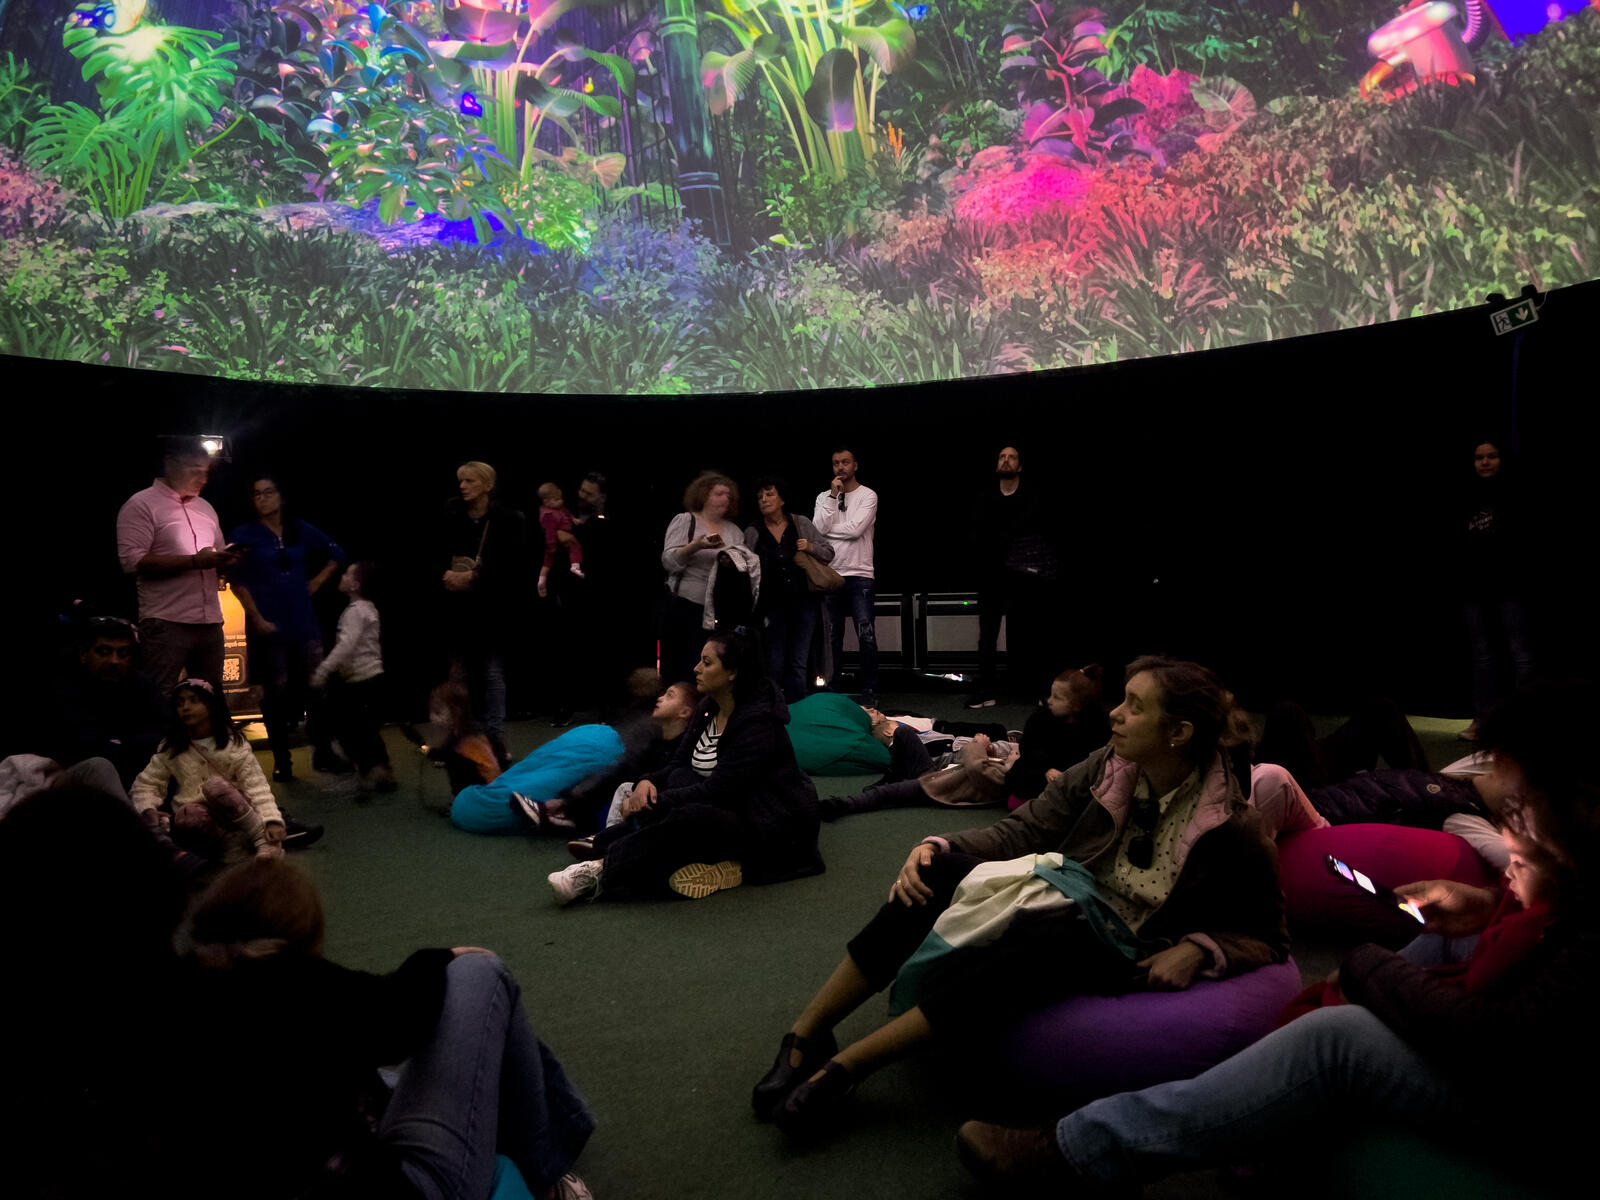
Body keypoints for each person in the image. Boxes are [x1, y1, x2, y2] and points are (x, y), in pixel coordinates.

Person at [954, 677, 1600, 1193]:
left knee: (1338, 1034)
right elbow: (1033, 824)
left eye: (1517, 812)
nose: (1116, 716)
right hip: (1521, 1038)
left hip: (1533, 1102)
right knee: (1432, 944)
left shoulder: (1243, 811)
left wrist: (1367, 969)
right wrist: (1486, 906)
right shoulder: (1111, 774)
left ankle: (1083, 1151)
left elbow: (1504, 1040)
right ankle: (1278, 1107)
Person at [751, 657, 1285, 1141]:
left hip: (1124, 941)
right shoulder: (1108, 766)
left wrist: (1198, 948)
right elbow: (1024, 830)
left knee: (1042, 934)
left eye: (1135, 706)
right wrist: (938, 845)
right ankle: (808, 1033)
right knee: (935, 871)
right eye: (1121, 700)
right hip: (1068, 892)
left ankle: (850, 1067)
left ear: (1178, 733)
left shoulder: (1232, 827)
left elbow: (1271, 933)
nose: (1115, 714)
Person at [178, 857, 597, 1200]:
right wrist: (439, 958)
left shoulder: (176, 992)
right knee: (479, 973)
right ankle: (546, 1177)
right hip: (390, 1186)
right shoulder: (286, 980)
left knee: (380, 1078)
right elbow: (398, 1019)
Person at [547, 631, 822, 904]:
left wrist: (655, 801)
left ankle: (599, 870)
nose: (696, 668)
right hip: (727, 809)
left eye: (707, 662)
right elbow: (678, 763)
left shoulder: (758, 726)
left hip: (768, 825)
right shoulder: (707, 709)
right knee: (675, 788)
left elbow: (721, 790)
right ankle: (623, 848)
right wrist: (646, 783)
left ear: (732, 673)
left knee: (688, 816)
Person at [227, 475, 348, 781]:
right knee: (276, 692)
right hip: (269, 623)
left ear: (281, 496)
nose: (262, 498)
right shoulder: (244, 534)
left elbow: (337, 553)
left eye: (268, 492)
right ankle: (283, 760)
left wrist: (317, 582)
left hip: (303, 621)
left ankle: (324, 752)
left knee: (317, 686)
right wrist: (256, 618)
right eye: (256, 494)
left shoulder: (299, 529)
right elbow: (236, 580)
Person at [116, 436, 239, 692]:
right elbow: (132, 562)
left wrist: (226, 561)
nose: (203, 479)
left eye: (206, 472)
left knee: (209, 697)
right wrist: (194, 561)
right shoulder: (141, 505)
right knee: (159, 696)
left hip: (210, 622)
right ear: (171, 465)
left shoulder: (205, 508)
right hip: (166, 622)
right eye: (195, 471)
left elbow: (215, 556)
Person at [129, 679, 286, 860]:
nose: (185, 707)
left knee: (215, 786)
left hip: (238, 812)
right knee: (187, 814)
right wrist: (147, 809)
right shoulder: (172, 747)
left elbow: (256, 785)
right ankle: (230, 844)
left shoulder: (233, 743)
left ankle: (262, 839)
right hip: (204, 820)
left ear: (211, 705)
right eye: (180, 703)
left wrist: (271, 820)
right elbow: (146, 784)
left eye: (194, 700)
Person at [440, 461, 527, 764]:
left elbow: (512, 565)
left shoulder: (508, 520)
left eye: (470, 481)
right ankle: (457, 740)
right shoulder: (452, 515)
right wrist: (447, 575)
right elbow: (436, 552)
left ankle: (496, 742)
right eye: (461, 480)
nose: (463, 486)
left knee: (491, 675)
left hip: (491, 610)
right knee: (457, 678)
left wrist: (473, 578)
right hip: (457, 610)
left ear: (488, 485)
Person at [969, 445, 1065, 707]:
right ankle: (986, 691)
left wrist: (1002, 538)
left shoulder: (1032, 495)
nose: (1006, 460)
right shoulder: (986, 496)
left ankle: (1040, 690)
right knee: (987, 633)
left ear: (1020, 466)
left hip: (1026, 574)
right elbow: (978, 532)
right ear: (996, 464)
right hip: (993, 573)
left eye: (1011, 457)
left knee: (1033, 631)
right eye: (1002, 457)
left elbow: (1030, 528)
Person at [1459, 438, 1536, 741]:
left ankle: (1523, 723)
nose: (1485, 462)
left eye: (1492, 456)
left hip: (1510, 585)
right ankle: (1482, 721)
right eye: (1479, 457)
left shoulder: (1514, 495)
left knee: (1521, 655)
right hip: (1474, 586)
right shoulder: (1466, 496)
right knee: (1483, 656)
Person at [39, 614, 166, 788]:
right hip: (71, 777)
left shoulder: (141, 687)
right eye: (104, 652)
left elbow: (162, 733)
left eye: (123, 654)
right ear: (84, 654)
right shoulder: (63, 687)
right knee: (100, 766)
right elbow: (77, 745)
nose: (114, 661)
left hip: (135, 773)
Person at [744, 475, 835, 704]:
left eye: (769, 494)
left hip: (804, 604)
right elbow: (745, 568)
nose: (764, 500)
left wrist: (810, 547)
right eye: (760, 497)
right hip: (771, 606)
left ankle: (796, 713)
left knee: (798, 663)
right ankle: (772, 711)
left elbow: (828, 552)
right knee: (773, 663)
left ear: (782, 499)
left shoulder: (799, 523)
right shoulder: (754, 531)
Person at [311, 561, 394, 792]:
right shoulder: (369, 608)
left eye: (348, 574)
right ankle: (382, 772)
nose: (342, 576)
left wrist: (323, 670)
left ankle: (368, 773)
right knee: (367, 731)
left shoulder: (355, 612)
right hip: (372, 678)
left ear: (356, 584)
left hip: (361, 681)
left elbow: (346, 645)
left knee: (350, 730)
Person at [660, 472, 742, 685]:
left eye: (728, 495)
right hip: (685, 605)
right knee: (681, 663)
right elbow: (669, 561)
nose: (726, 498)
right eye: (719, 494)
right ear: (704, 495)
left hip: (717, 611)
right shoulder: (686, 521)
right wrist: (696, 546)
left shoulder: (734, 532)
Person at [813, 446, 879, 707]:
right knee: (831, 636)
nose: (840, 467)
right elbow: (817, 529)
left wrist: (830, 531)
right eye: (836, 463)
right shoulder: (824, 497)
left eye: (845, 462)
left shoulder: (868, 495)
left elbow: (856, 530)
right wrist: (833, 496)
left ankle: (869, 688)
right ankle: (832, 687)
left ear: (855, 466)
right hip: (831, 573)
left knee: (866, 634)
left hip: (860, 573)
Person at [535, 482, 585, 598]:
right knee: (549, 562)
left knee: (550, 562)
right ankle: (542, 580)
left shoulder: (558, 508)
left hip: (563, 538)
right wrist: (552, 547)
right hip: (554, 544)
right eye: (557, 499)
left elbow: (566, 512)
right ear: (546, 501)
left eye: (561, 498)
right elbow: (550, 533)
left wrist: (573, 519)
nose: (561, 501)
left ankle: (543, 581)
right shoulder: (548, 515)